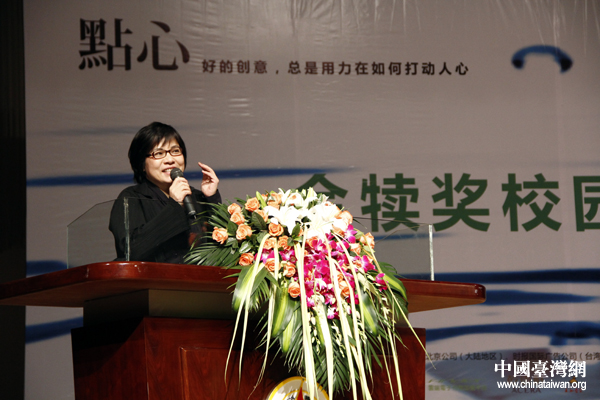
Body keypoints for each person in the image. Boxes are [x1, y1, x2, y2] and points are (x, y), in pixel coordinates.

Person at [109, 122, 221, 263]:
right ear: (142, 163)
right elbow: (130, 251)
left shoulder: (197, 196)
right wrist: (174, 206)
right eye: (159, 153)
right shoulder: (131, 198)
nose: (170, 160)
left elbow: (220, 248)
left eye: (175, 151)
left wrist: (211, 198)